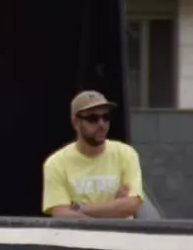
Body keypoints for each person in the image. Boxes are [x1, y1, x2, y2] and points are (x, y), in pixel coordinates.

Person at [42, 90, 144, 220]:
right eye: (92, 118)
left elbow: (130, 206)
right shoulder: (56, 163)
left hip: (120, 239)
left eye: (106, 117)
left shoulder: (126, 154)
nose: (101, 124)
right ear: (76, 123)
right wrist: (113, 209)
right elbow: (61, 213)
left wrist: (78, 207)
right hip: (78, 240)